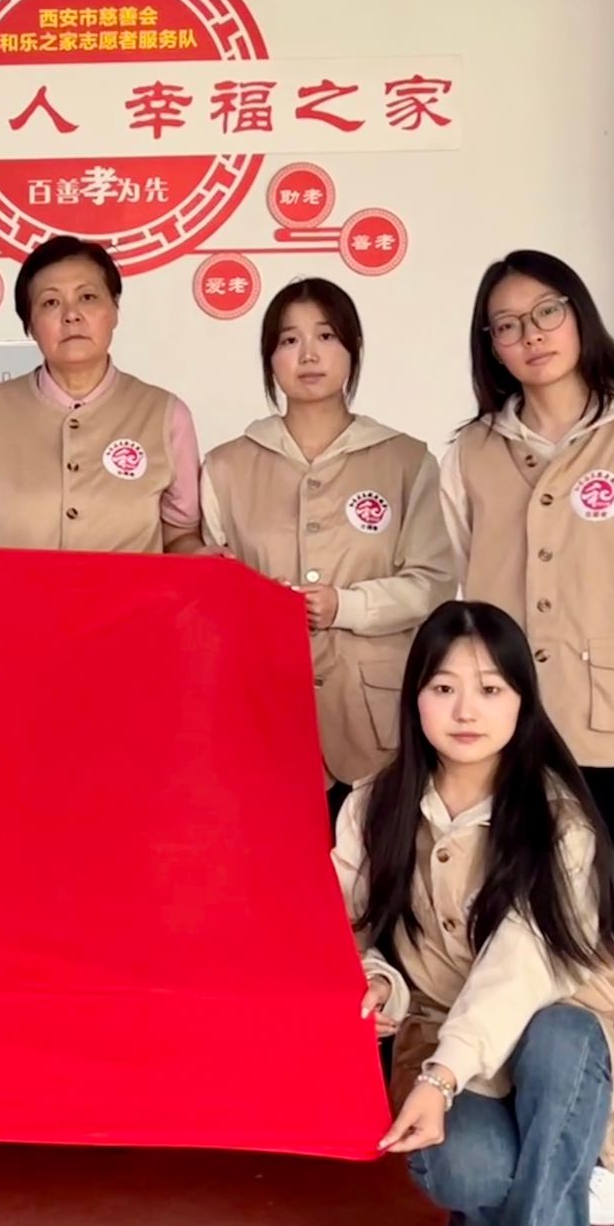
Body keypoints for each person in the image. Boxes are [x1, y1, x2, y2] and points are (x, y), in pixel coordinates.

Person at [336, 601, 614, 1226]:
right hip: (444, 1040)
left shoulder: (558, 821)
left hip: (563, 1046)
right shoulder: (374, 805)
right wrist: (378, 984)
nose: (466, 711)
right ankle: (501, 1219)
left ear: (522, 700)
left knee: (559, 1033)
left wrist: (442, 1077)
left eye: (490, 689)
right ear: (415, 697)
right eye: (444, 688)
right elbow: (341, 932)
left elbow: (522, 965)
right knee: (468, 1170)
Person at [441, 250, 614, 1224]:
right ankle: (506, 1105)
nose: (530, 336)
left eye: (544, 313)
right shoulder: (470, 451)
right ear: (490, 346)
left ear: (578, 316)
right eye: (505, 325)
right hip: (507, 733)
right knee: (505, 913)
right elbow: (456, 585)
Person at [201, 278, 453, 823]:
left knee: (379, 867)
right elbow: (208, 591)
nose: (309, 354)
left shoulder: (405, 460)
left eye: (326, 336)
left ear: (352, 348)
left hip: (375, 723)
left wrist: (346, 606)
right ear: (269, 358)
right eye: (289, 340)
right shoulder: (224, 466)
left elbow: (433, 582)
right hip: (261, 712)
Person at [0, 234, 204, 552]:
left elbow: (180, 536)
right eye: (50, 302)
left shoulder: (165, 415)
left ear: (115, 309)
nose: (71, 315)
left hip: (131, 589)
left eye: (87, 297)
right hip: (12, 588)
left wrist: (201, 554)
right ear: (30, 325)